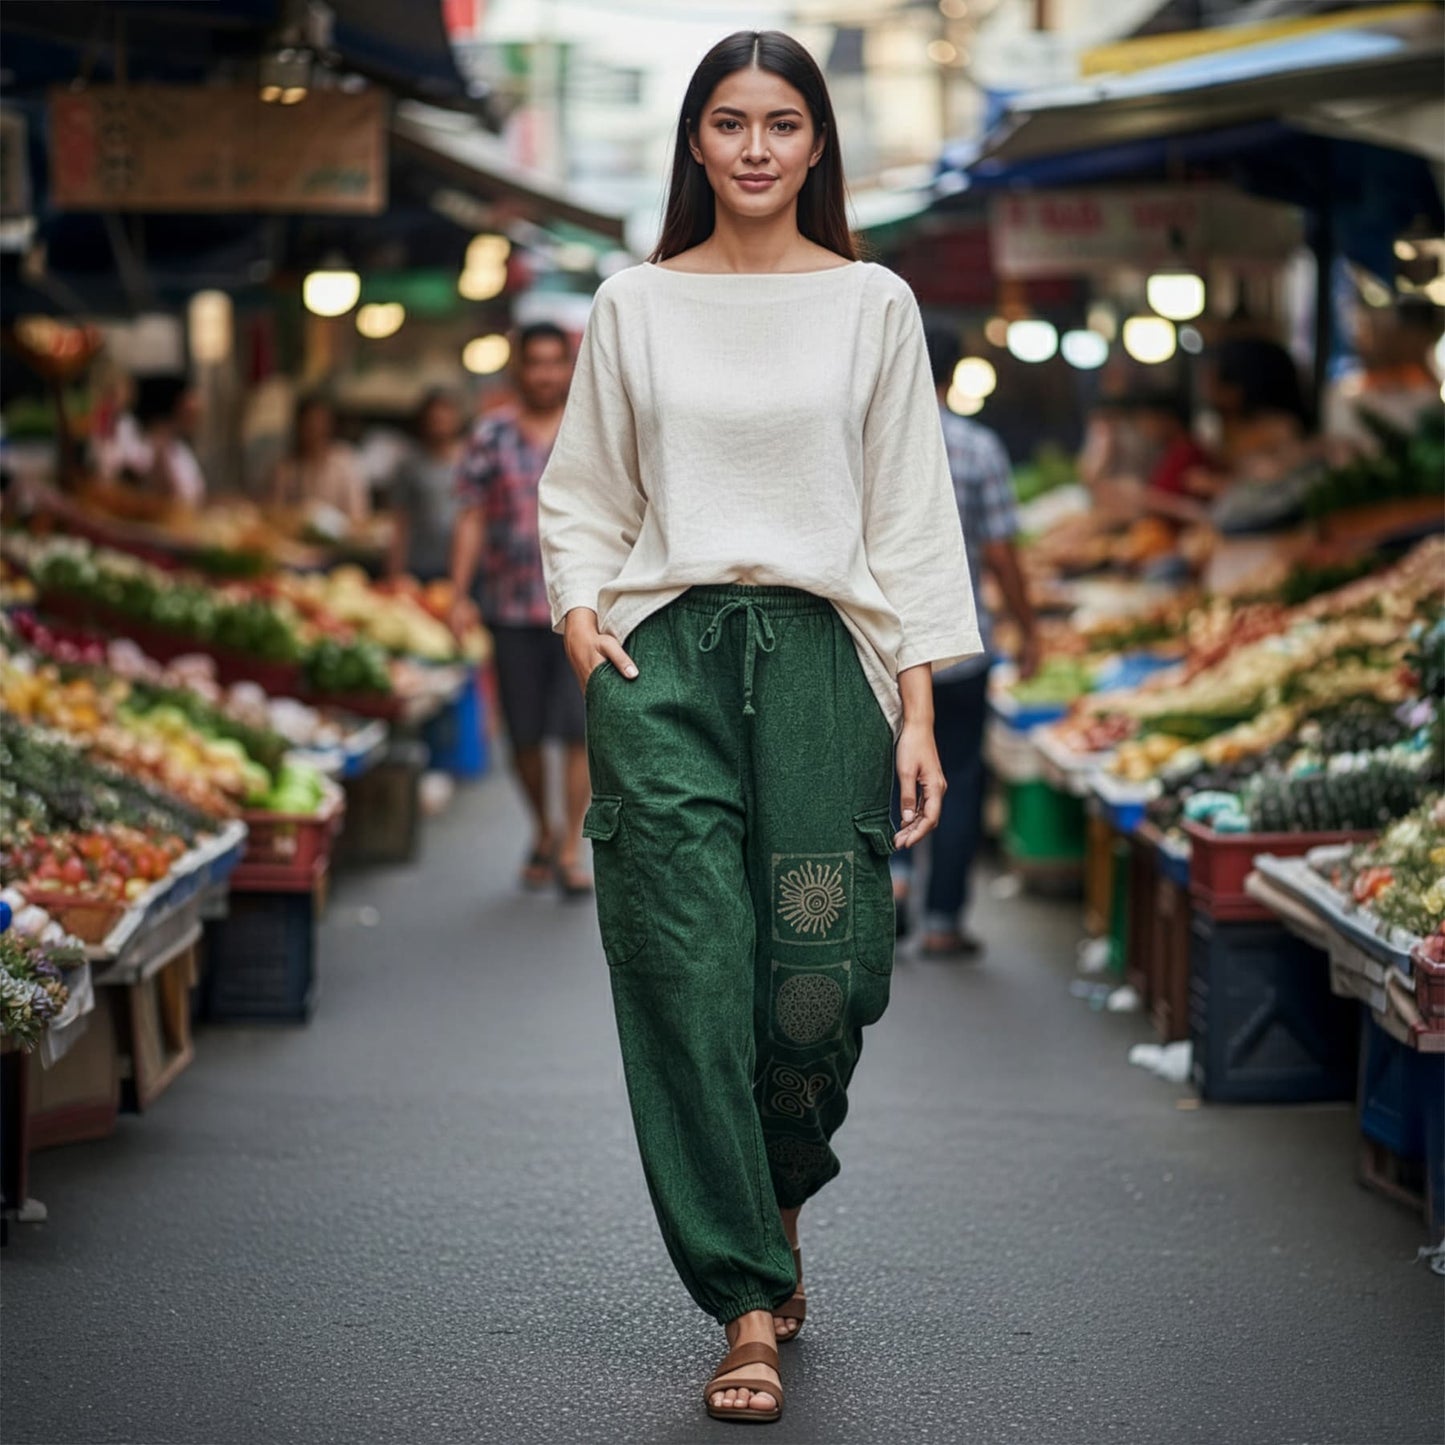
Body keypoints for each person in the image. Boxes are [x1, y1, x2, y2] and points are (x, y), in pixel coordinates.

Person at [537, 31, 981, 1427]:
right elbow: (583, 494)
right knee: (685, 966)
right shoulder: (633, 302)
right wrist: (578, 624)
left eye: (780, 123)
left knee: (821, 974)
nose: (752, 147)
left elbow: (911, 511)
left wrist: (916, 707)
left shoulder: (872, 302)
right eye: (726, 121)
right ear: (693, 142)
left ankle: (779, 1189)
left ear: (816, 144)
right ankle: (741, 1300)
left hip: (821, 665)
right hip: (662, 664)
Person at [890, 328, 1041, 956]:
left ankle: (894, 883)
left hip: (883, 648)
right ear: (956, 374)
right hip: (958, 642)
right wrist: (1029, 628)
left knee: (882, 768)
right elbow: (1004, 552)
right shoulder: (979, 447)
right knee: (958, 775)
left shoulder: (880, 443)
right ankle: (945, 920)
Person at [449, 324, 591, 897]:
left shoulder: (591, 428)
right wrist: (458, 594)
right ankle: (542, 826)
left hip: (582, 609)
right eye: (535, 364)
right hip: (510, 607)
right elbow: (471, 515)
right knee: (525, 735)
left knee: (580, 732)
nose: (545, 375)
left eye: (555, 363)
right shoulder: (490, 435)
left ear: (569, 368)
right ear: (518, 370)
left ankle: (569, 845)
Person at [389, 390, 466, 581]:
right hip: (420, 565)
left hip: (464, 565)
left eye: (444, 418)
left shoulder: (472, 461)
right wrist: (394, 572)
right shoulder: (409, 466)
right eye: (434, 419)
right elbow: (401, 521)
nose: (439, 424)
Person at [267, 395, 369, 525]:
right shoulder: (286, 468)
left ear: (329, 425)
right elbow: (274, 512)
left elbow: (358, 515)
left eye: (320, 422)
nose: (314, 429)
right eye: (308, 423)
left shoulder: (346, 463)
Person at [120, 375, 207, 506]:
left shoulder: (176, 447)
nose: (199, 406)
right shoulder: (154, 448)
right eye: (188, 397)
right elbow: (165, 504)